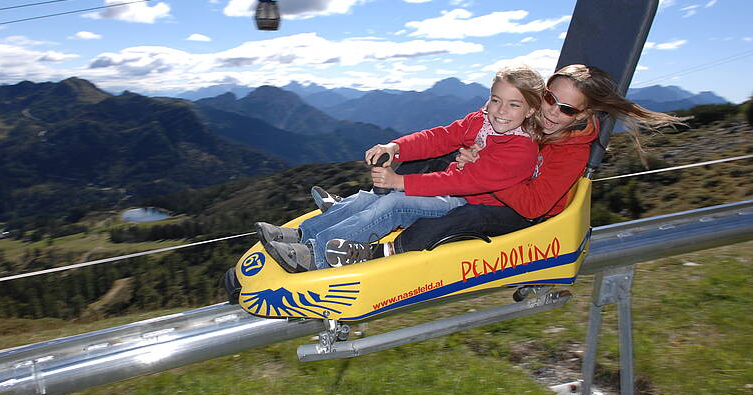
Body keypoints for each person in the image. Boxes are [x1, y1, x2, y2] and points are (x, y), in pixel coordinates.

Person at [326, 63, 687, 264]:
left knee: (465, 217)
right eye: (548, 97)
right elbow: (447, 136)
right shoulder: (527, 118)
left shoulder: (574, 150)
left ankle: (383, 253)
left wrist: (487, 171)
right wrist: (398, 148)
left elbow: (533, 204)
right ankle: (360, 206)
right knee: (433, 161)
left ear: (585, 113)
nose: (551, 110)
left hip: (523, 214)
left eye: (565, 108)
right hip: (488, 187)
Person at [254, 65, 545, 272]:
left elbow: (465, 182)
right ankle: (304, 235)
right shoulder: (479, 120)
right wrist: (396, 147)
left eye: (513, 105)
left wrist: (400, 182)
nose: (500, 111)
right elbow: (440, 137)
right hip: (454, 189)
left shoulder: (521, 149)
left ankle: (316, 256)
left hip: (468, 203)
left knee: (394, 203)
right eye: (495, 100)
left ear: (531, 110)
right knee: (371, 198)